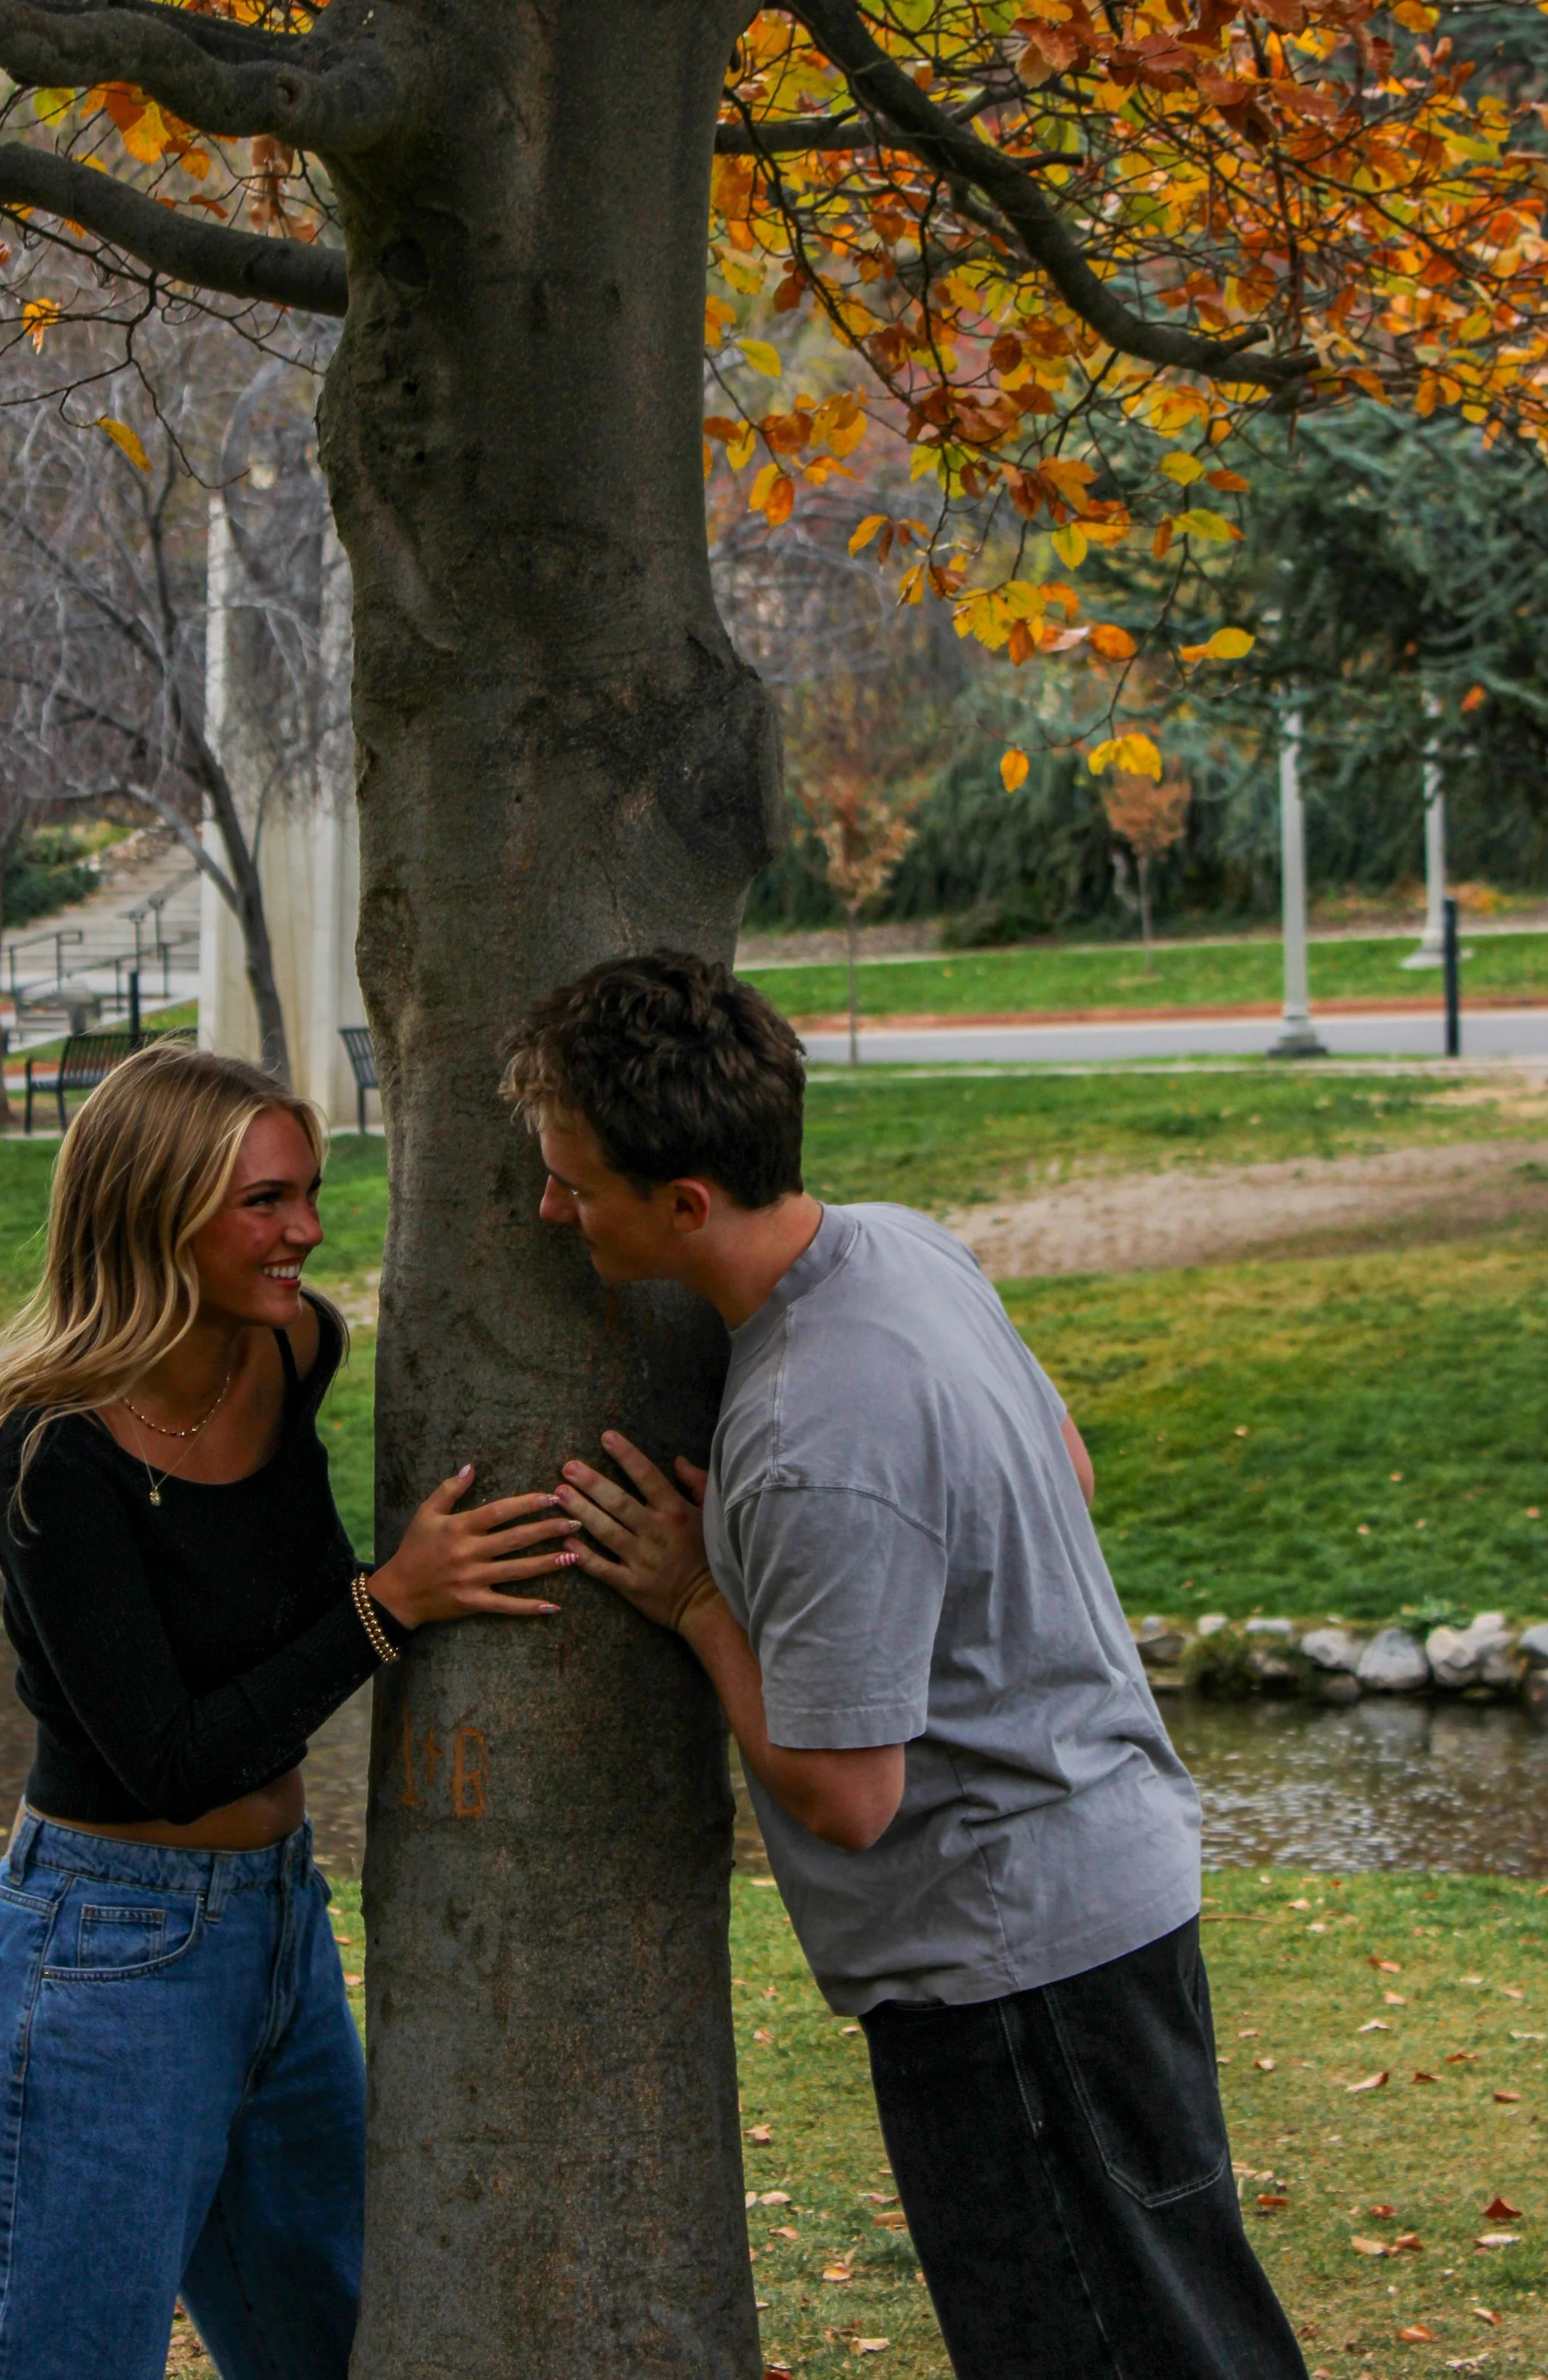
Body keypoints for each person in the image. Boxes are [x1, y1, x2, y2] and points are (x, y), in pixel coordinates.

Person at [500, 953, 1308, 2380]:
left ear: (685, 1203)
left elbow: (848, 1790)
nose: (552, 1206)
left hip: (1013, 1972)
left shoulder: (818, 1429)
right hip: (1108, 1899)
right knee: (1189, 2326)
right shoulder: (902, 1246)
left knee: (1093, 2350)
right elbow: (1071, 1462)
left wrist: (696, 1593)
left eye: (574, 1182)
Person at [0, 1044, 580, 2380]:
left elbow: (274, 1600)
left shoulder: (291, 1348)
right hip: (101, 1962)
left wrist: (378, 1599)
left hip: (279, 1934)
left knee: (330, 2351)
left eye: (310, 1191)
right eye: (266, 1201)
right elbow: (171, 1756)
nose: (309, 1231)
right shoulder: (58, 1461)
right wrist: (390, 1603)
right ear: (158, 1209)